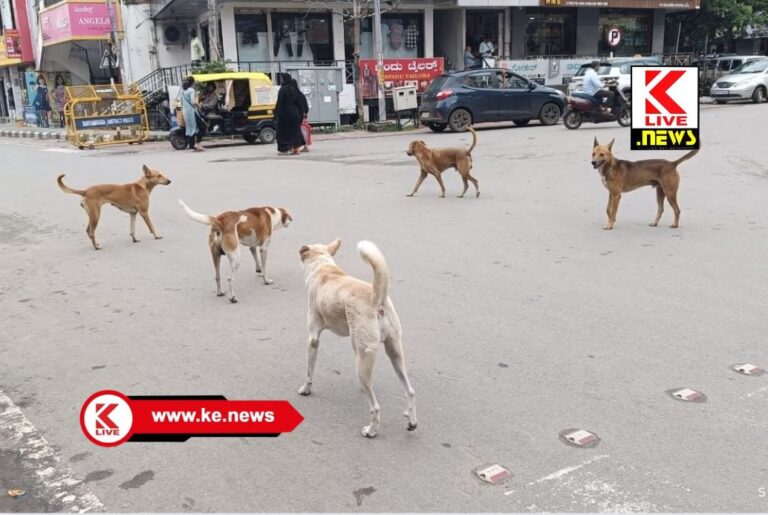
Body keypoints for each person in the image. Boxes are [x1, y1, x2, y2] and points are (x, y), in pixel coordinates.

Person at [274, 75, 305, 155]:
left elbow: (279, 102)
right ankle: (296, 149)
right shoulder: (294, 89)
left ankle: (284, 149)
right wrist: (301, 115)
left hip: (284, 114)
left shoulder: (282, 89)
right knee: (295, 131)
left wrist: (275, 114)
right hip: (294, 113)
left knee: (282, 132)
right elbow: (299, 104)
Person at [179, 77, 203, 151]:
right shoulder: (191, 90)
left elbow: (181, 102)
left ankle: (191, 145)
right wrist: (199, 105)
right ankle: (198, 143)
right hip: (192, 111)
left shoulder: (182, 91)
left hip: (185, 112)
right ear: (192, 83)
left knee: (190, 128)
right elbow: (193, 102)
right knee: (202, 126)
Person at [293, 78, 310, 153]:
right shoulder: (301, 94)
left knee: (297, 131)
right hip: (302, 114)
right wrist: (305, 112)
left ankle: (299, 147)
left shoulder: (295, 94)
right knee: (298, 130)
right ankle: (303, 146)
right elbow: (306, 105)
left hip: (298, 115)